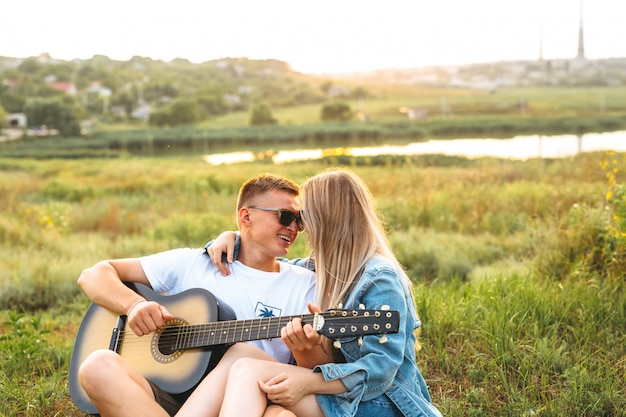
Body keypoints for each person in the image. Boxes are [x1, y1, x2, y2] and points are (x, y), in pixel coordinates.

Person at [75, 173, 316, 417]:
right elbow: (94, 274)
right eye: (285, 216)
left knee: (244, 357)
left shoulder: (305, 283)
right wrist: (134, 305)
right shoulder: (194, 263)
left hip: (246, 405)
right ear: (246, 216)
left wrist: (306, 349)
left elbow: (315, 369)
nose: (293, 227)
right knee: (96, 366)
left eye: (299, 220)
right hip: (163, 398)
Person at [207, 168, 442, 417]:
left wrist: (308, 382)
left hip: (383, 404)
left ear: (328, 218)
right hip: (340, 395)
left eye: (303, 217)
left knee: (249, 372)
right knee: (243, 360)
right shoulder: (322, 268)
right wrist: (232, 237)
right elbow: (268, 261)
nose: (299, 228)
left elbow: (381, 370)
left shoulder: (379, 278)